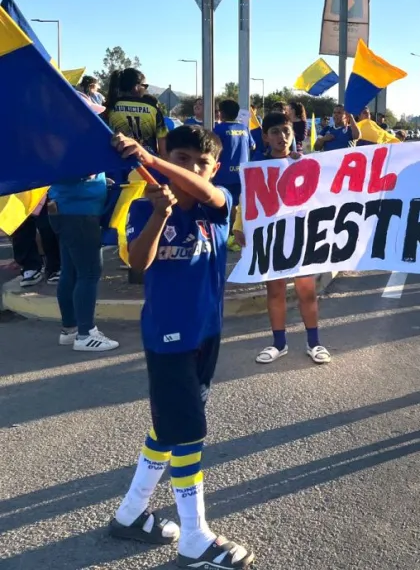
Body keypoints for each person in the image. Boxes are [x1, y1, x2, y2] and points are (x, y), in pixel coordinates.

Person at [109, 126, 254, 569]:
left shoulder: (219, 205)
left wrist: (153, 162)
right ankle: (194, 538)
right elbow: (139, 262)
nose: (190, 166)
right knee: (188, 433)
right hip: (168, 340)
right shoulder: (142, 206)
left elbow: (205, 192)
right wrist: (159, 215)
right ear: (167, 153)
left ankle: (130, 513)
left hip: (206, 335)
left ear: (215, 169)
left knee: (168, 428)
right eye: (181, 156)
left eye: (199, 161)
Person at [239, 112, 329, 367]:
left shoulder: (304, 163)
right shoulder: (256, 165)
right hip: (271, 237)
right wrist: (239, 226)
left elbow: (324, 196)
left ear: (293, 134)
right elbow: (246, 201)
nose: (282, 137)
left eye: (286, 131)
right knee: (275, 291)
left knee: (307, 292)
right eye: (276, 132)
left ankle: (314, 342)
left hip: (301, 235)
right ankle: (279, 343)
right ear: (266, 137)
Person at [48, 166, 118, 352]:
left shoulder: (57, 141)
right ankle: (85, 334)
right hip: (81, 213)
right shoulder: (75, 142)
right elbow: (87, 170)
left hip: (65, 208)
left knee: (70, 271)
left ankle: (70, 329)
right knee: (89, 272)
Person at [212, 99, 253, 211]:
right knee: (238, 206)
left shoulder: (218, 129)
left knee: (223, 206)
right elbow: (252, 146)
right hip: (241, 174)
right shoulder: (244, 129)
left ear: (221, 113)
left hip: (223, 175)